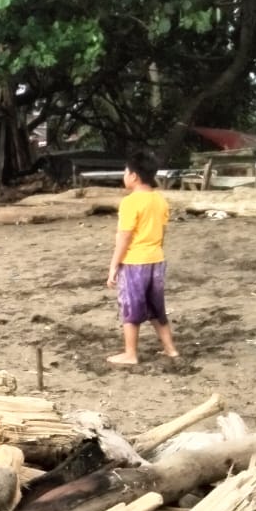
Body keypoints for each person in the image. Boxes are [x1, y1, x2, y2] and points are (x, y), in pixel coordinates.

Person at [107, 153, 179, 365]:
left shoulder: (130, 203)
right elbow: (162, 232)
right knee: (157, 308)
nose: (124, 175)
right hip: (156, 259)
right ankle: (170, 349)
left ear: (134, 176)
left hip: (134, 261)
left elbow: (124, 237)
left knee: (130, 307)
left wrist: (113, 265)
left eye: (126, 172)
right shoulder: (160, 200)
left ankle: (130, 353)